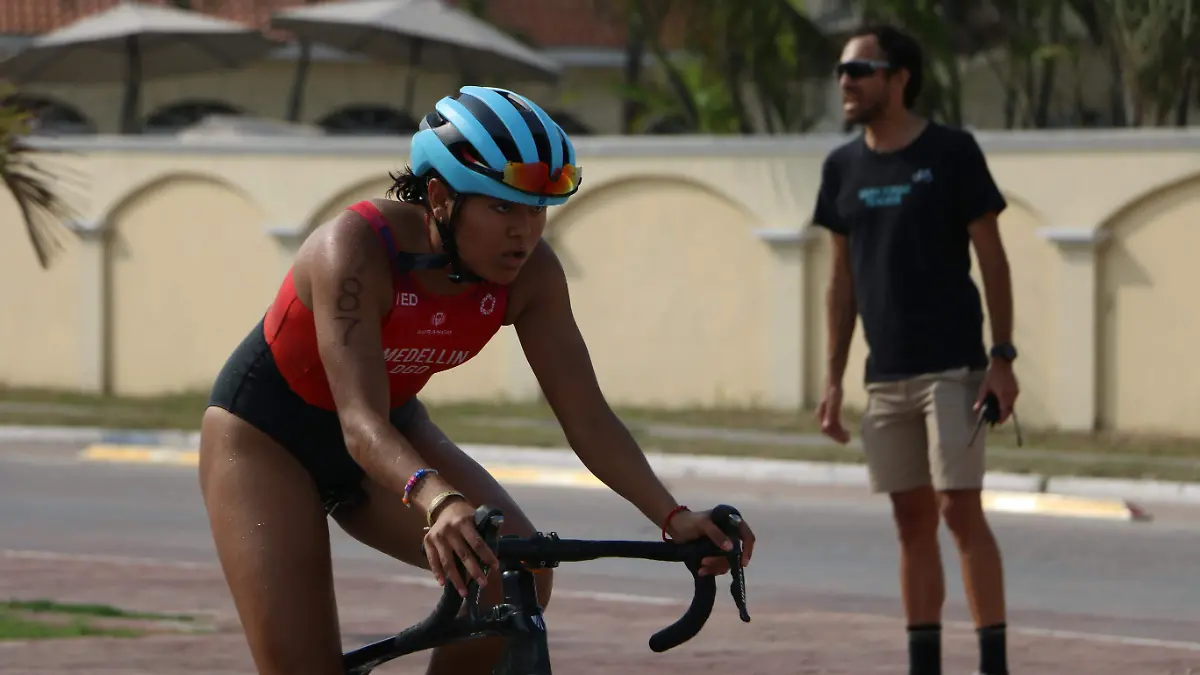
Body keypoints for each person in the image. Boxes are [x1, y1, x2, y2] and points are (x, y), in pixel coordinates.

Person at [198, 85, 756, 675]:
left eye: (536, 209)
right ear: (439, 196)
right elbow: (358, 422)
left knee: (516, 577)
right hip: (267, 440)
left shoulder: (532, 275)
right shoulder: (355, 249)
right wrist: (437, 499)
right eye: (502, 207)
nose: (525, 231)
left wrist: (673, 517)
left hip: (393, 431)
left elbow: (587, 418)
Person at [810, 25, 1018, 675]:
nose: (846, 81)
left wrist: (1003, 358)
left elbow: (993, 259)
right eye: (842, 70)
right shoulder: (841, 167)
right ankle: (923, 661)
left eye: (861, 70)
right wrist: (834, 379)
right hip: (885, 375)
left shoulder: (952, 152)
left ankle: (992, 662)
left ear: (900, 79)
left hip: (955, 368)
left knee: (960, 509)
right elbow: (841, 280)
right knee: (910, 519)